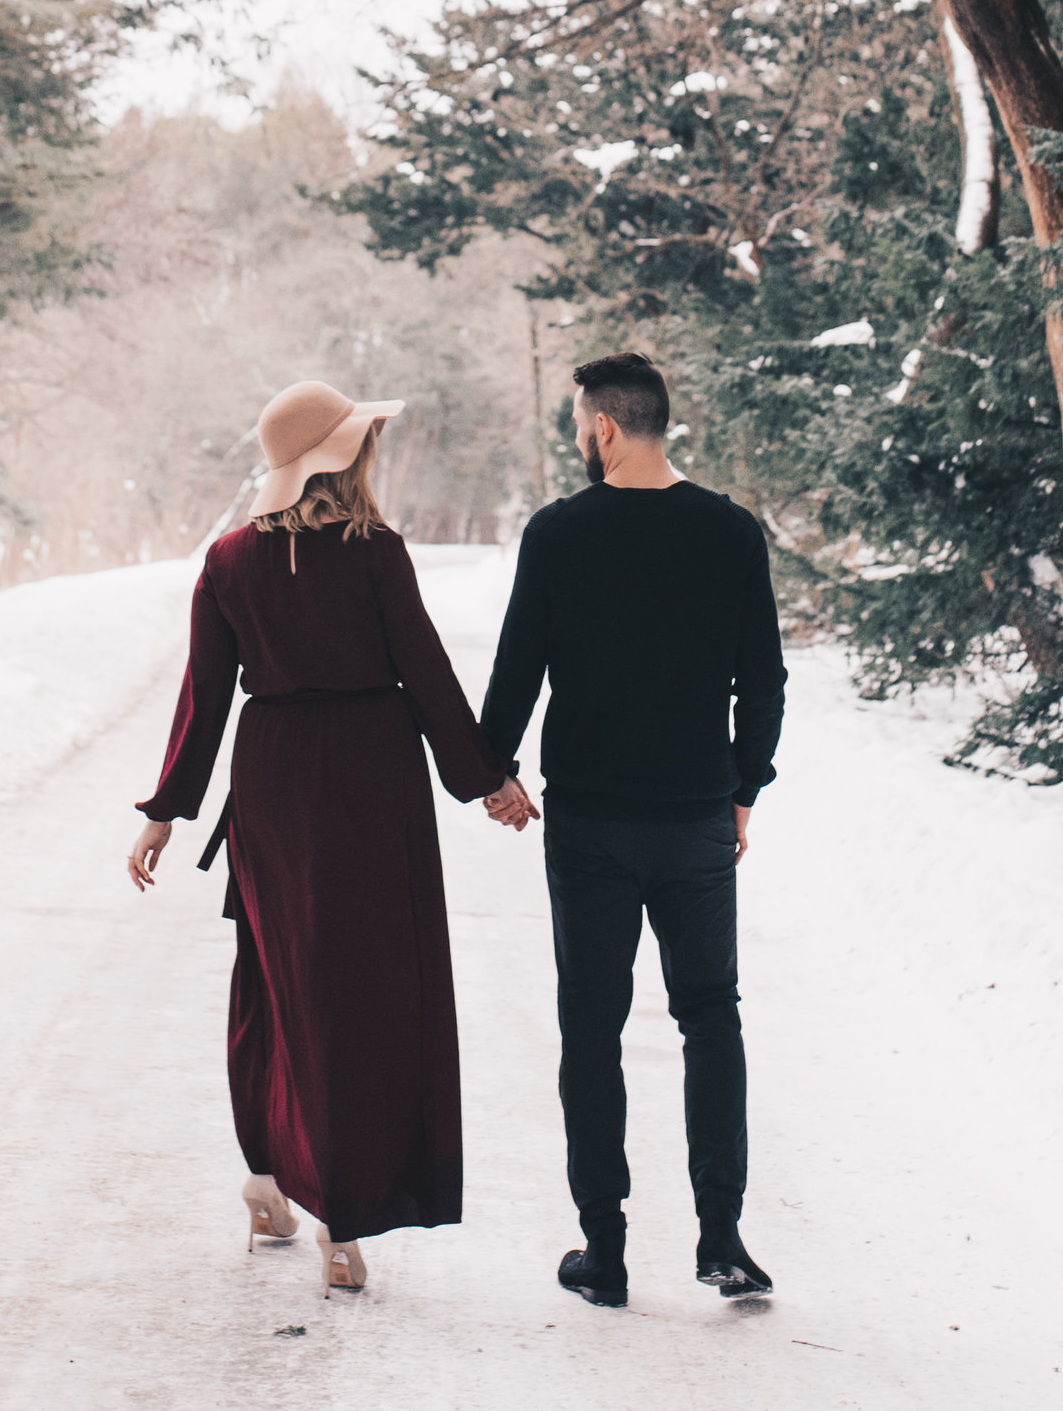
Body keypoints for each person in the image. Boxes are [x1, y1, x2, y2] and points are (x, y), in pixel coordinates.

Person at [127, 380, 513, 1300]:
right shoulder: (375, 551)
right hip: (374, 777)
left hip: (275, 777)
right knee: (369, 994)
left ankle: (268, 1182)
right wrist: (486, 778)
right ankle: (344, 1218)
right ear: (344, 457)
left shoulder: (225, 560)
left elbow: (205, 702)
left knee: (273, 981)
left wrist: (165, 809)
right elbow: (426, 673)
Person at [478, 348, 787, 1311]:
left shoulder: (559, 532)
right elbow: (763, 678)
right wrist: (745, 787)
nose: (579, 437)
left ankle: (603, 1252)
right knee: (710, 1018)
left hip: (591, 825)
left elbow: (518, 667)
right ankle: (723, 1235)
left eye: (580, 423)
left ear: (604, 427)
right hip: (695, 816)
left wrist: (495, 770)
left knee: (591, 1029)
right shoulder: (729, 531)